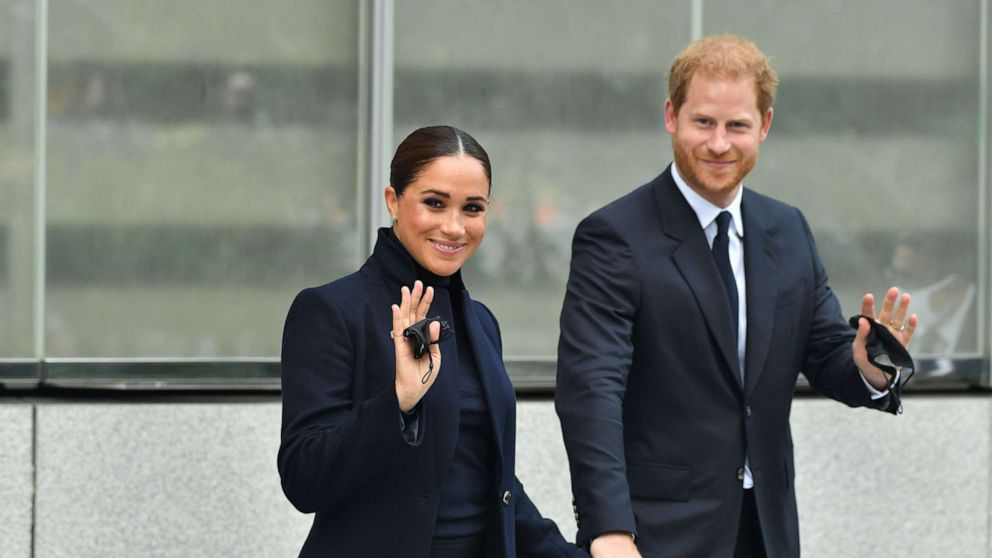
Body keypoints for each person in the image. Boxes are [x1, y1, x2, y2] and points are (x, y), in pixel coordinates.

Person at [554, 35, 918, 558]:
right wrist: (608, 527)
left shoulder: (788, 230)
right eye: (703, 122)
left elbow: (827, 354)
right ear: (671, 116)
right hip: (657, 535)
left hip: (767, 532)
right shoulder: (614, 236)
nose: (719, 143)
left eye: (737, 126)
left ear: (764, 125)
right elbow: (590, 392)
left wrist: (870, 365)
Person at [279, 125, 585, 558]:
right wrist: (398, 402)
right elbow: (303, 480)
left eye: (472, 208)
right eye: (435, 203)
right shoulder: (332, 311)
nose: (454, 226)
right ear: (393, 201)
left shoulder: (481, 323)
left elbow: (493, 486)